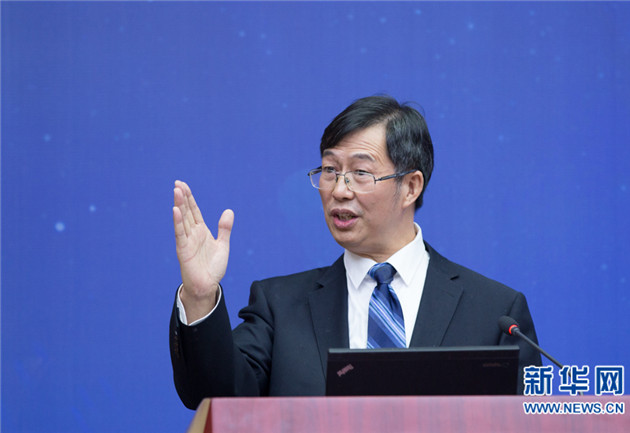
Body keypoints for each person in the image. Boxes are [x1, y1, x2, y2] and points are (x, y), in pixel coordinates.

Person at [169, 95, 542, 409]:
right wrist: (200, 296)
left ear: (411, 187)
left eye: (360, 173)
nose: (339, 190)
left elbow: (528, 423)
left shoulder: (494, 313)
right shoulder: (280, 307)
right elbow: (215, 397)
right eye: (330, 170)